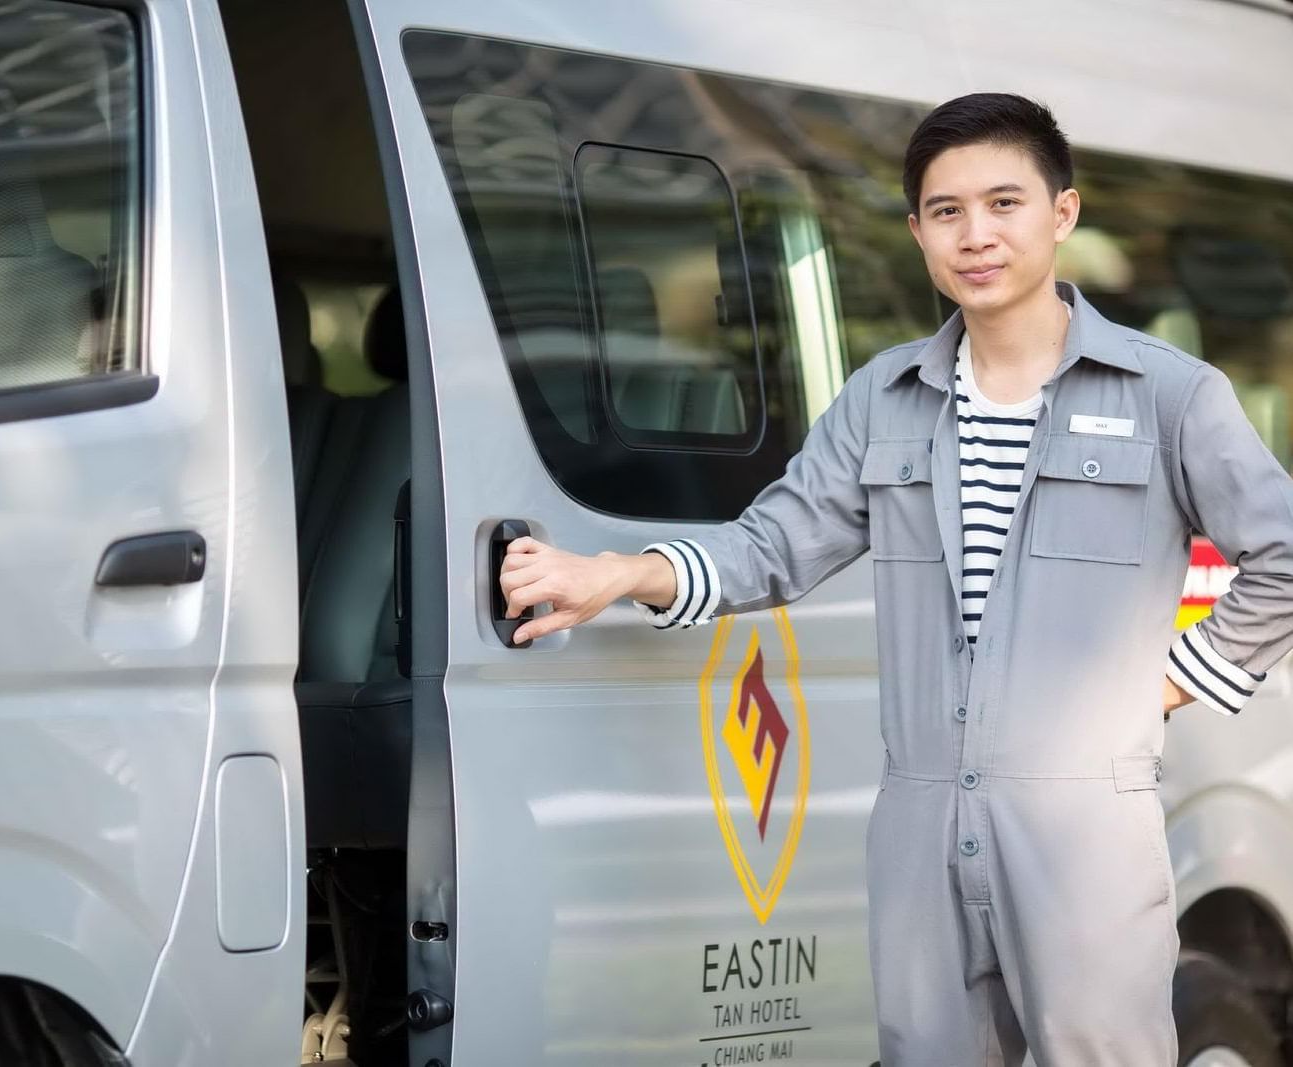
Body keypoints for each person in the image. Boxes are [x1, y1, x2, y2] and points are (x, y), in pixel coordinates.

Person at [498, 92, 1293, 1064]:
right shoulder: (883, 399)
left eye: (1004, 203)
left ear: (1063, 213)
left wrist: (1172, 681)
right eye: (946, 211)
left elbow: (1284, 553)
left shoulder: (1169, 395)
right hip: (918, 818)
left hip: (1084, 823)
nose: (976, 235)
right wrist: (619, 570)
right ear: (917, 230)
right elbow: (772, 544)